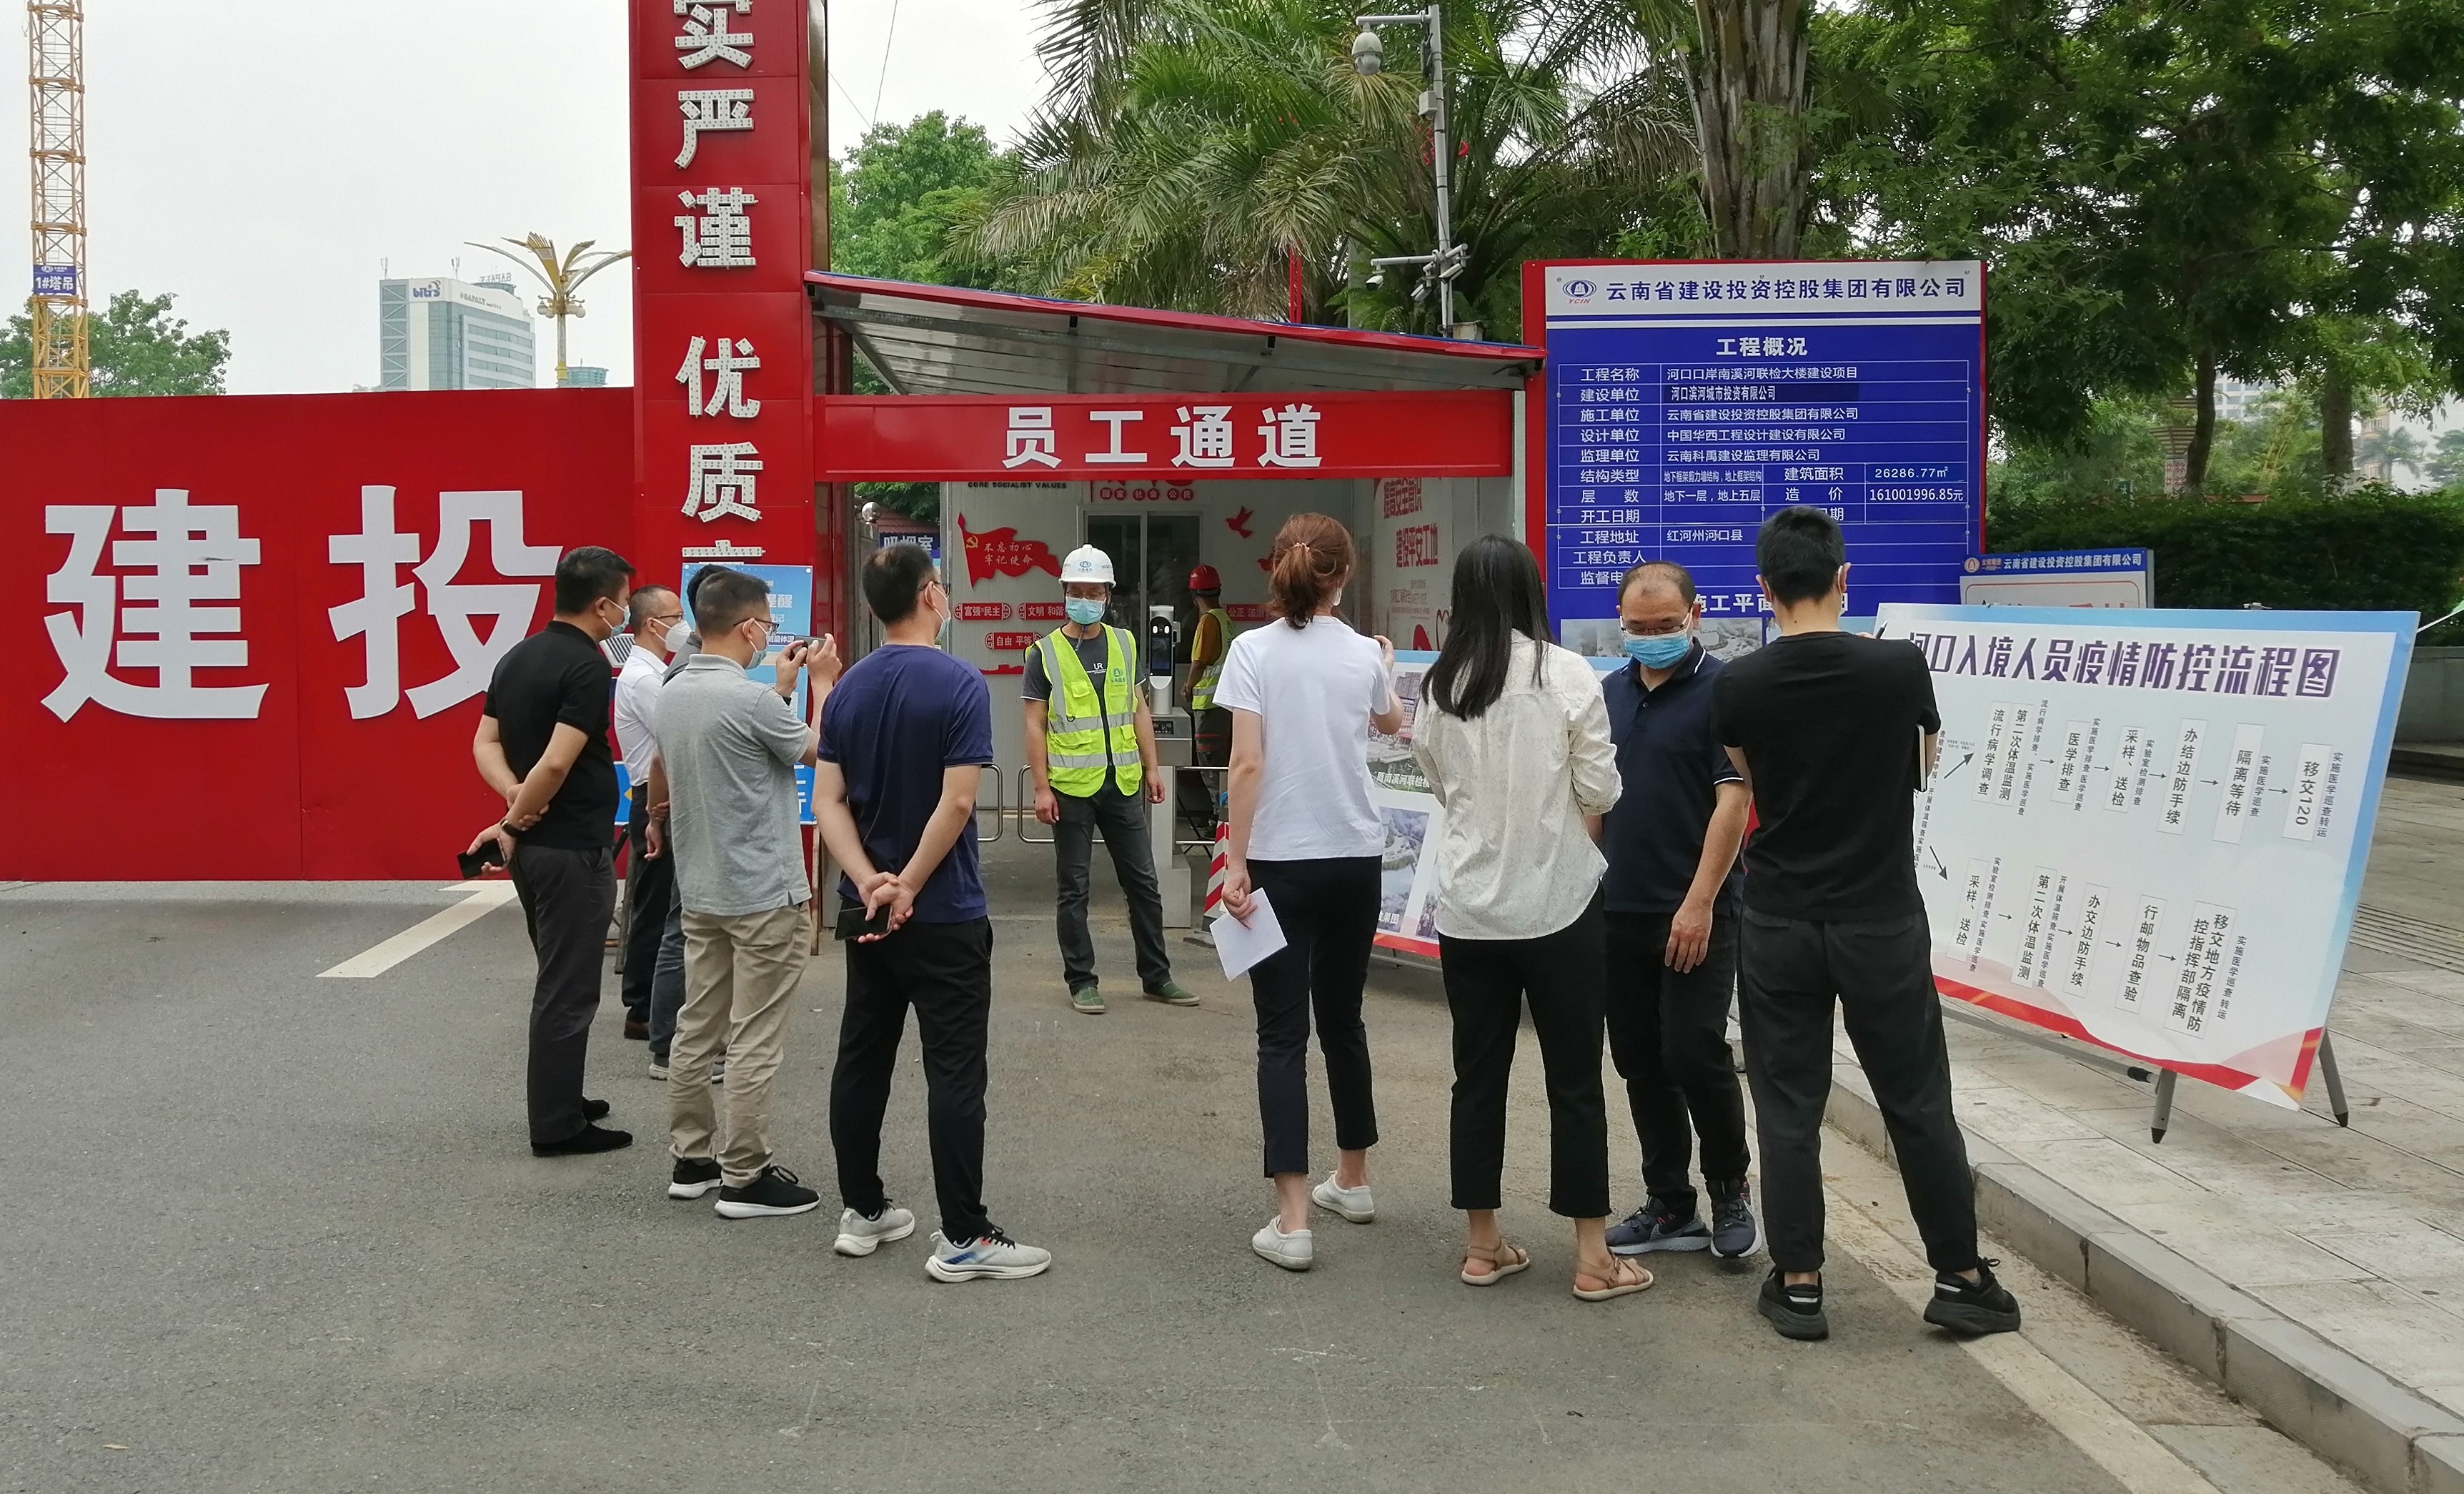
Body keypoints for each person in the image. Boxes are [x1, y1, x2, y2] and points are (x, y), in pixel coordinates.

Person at [1714, 506, 2021, 1342]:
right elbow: (1921, 765)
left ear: (1764, 588)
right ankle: (1961, 1277)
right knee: (1916, 1097)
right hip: (1880, 916)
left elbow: (1751, 780)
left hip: (1779, 918)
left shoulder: (1738, 684)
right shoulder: (1898, 666)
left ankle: (1799, 1282)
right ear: (1843, 578)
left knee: (1786, 1103)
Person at [1410, 537, 1648, 1302]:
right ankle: (1592, 1258)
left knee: (1477, 1075)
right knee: (1575, 1080)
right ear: (1529, 592)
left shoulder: (1440, 684)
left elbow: (1437, 781)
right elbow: (1601, 791)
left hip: (1468, 910)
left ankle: (1483, 1246)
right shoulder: (1568, 673)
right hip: (1559, 905)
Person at [815, 543, 1051, 1281]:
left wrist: (869, 882)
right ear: (928, 595)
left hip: (866, 909)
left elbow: (827, 801)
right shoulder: (959, 682)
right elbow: (957, 802)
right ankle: (964, 1234)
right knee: (954, 1072)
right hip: (942, 909)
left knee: (863, 1058)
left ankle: (863, 1209)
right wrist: (910, 884)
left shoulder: (846, 689)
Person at [1216, 513, 1406, 1272]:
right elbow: (1392, 721)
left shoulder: (1251, 650)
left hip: (1279, 859)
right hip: (1355, 856)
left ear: (1279, 569)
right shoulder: (1362, 652)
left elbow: (1246, 764)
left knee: (1281, 1033)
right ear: (1344, 574)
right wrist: (1383, 663)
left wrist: (1234, 861)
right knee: (1344, 1018)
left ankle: (1293, 1220)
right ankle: (1352, 1178)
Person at [648, 568, 838, 1219]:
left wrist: (780, 689)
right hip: (763, 892)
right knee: (754, 1038)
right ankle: (746, 1176)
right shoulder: (749, 701)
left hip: (703, 888)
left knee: (697, 1025)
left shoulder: (673, 691)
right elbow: (822, 752)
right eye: (769, 626)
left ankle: (692, 1159)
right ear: (751, 626)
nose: (771, 637)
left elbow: (747, 744)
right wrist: (820, 685)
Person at [1598, 560, 1761, 1261]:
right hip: (1619, 908)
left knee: (1694, 1051)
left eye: (1666, 624)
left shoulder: (1724, 691)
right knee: (1639, 1059)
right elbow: (1591, 800)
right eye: (1638, 627)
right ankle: (1670, 1203)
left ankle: (1729, 1188)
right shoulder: (1608, 693)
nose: (1652, 636)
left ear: (1694, 615)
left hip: (1697, 910)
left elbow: (1735, 799)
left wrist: (1697, 905)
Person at [467, 545, 637, 1158]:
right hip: (571, 850)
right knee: (568, 988)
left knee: (559, 975)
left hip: (536, 852)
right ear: (603, 604)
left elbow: (485, 742)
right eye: (624, 602)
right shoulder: (586, 666)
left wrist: (512, 797)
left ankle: (563, 1094)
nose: (625, 613)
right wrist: (518, 812)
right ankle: (557, 1124)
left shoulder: (519, 656)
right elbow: (560, 762)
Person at [1024, 545, 1197, 1016]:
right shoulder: (1044, 653)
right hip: (1070, 789)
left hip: (1122, 784)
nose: (1086, 599)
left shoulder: (1125, 643)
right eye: (1077, 592)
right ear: (1065, 592)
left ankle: (1157, 977)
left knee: (1143, 883)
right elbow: (1034, 725)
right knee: (1074, 889)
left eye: (1094, 592)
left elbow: (1139, 709)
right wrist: (1041, 788)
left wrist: (1152, 767)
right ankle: (1082, 981)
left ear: (1107, 594)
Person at [613, 584, 685, 1042]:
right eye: (676, 617)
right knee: (657, 907)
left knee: (660, 903)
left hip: (659, 796)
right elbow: (672, 740)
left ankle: (649, 1002)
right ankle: (642, 1006)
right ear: (652, 625)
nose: (683, 625)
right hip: (655, 797)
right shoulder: (643, 678)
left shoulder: (657, 672)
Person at [1183, 563, 1233, 769]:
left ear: (1194, 595)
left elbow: (1199, 664)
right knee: (1221, 768)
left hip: (1209, 709)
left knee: (1211, 768)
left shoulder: (1208, 622)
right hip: (1222, 706)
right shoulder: (1224, 619)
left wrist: (1188, 687)